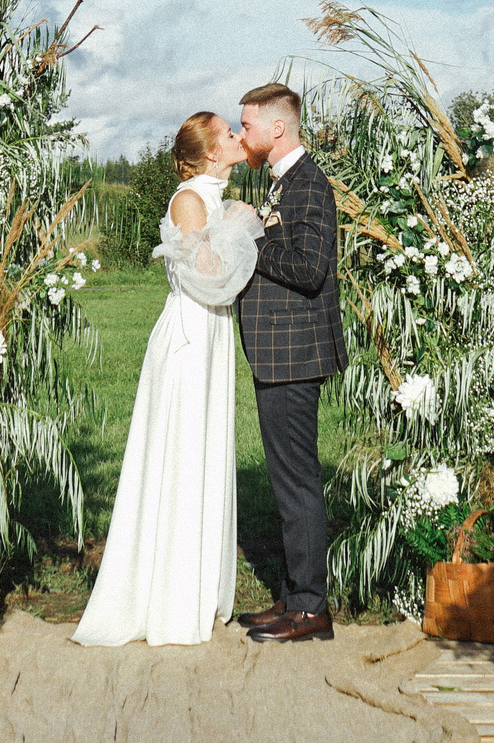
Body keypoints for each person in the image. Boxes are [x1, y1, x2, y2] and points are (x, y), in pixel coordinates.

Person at [72, 112, 266, 647]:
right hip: (187, 337)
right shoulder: (189, 199)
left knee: (204, 451)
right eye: (229, 134)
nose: (237, 138)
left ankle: (198, 591)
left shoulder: (215, 199)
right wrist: (241, 225)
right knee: (181, 453)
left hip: (211, 337)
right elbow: (208, 276)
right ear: (208, 153)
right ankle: (170, 600)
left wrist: (238, 222)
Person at [232, 81, 342, 644]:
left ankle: (310, 610)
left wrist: (251, 234)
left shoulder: (309, 185)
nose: (242, 133)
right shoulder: (286, 183)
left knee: (297, 480)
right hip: (279, 356)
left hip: (295, 357)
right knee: (286, 480)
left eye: (246, 124)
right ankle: (296, 596)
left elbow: (307, 269)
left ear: (278, 128)